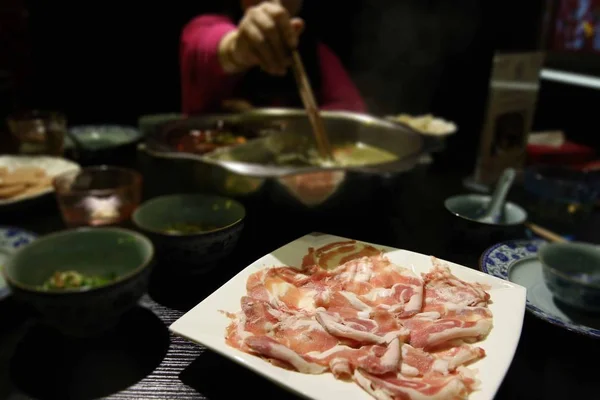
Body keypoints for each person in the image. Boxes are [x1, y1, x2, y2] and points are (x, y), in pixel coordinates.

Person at [180, 0, 366, 115]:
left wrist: (270, 123)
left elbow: (351, 112)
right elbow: (205, 49)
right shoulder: (203, 29)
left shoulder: (318, 54)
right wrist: (238, 48)